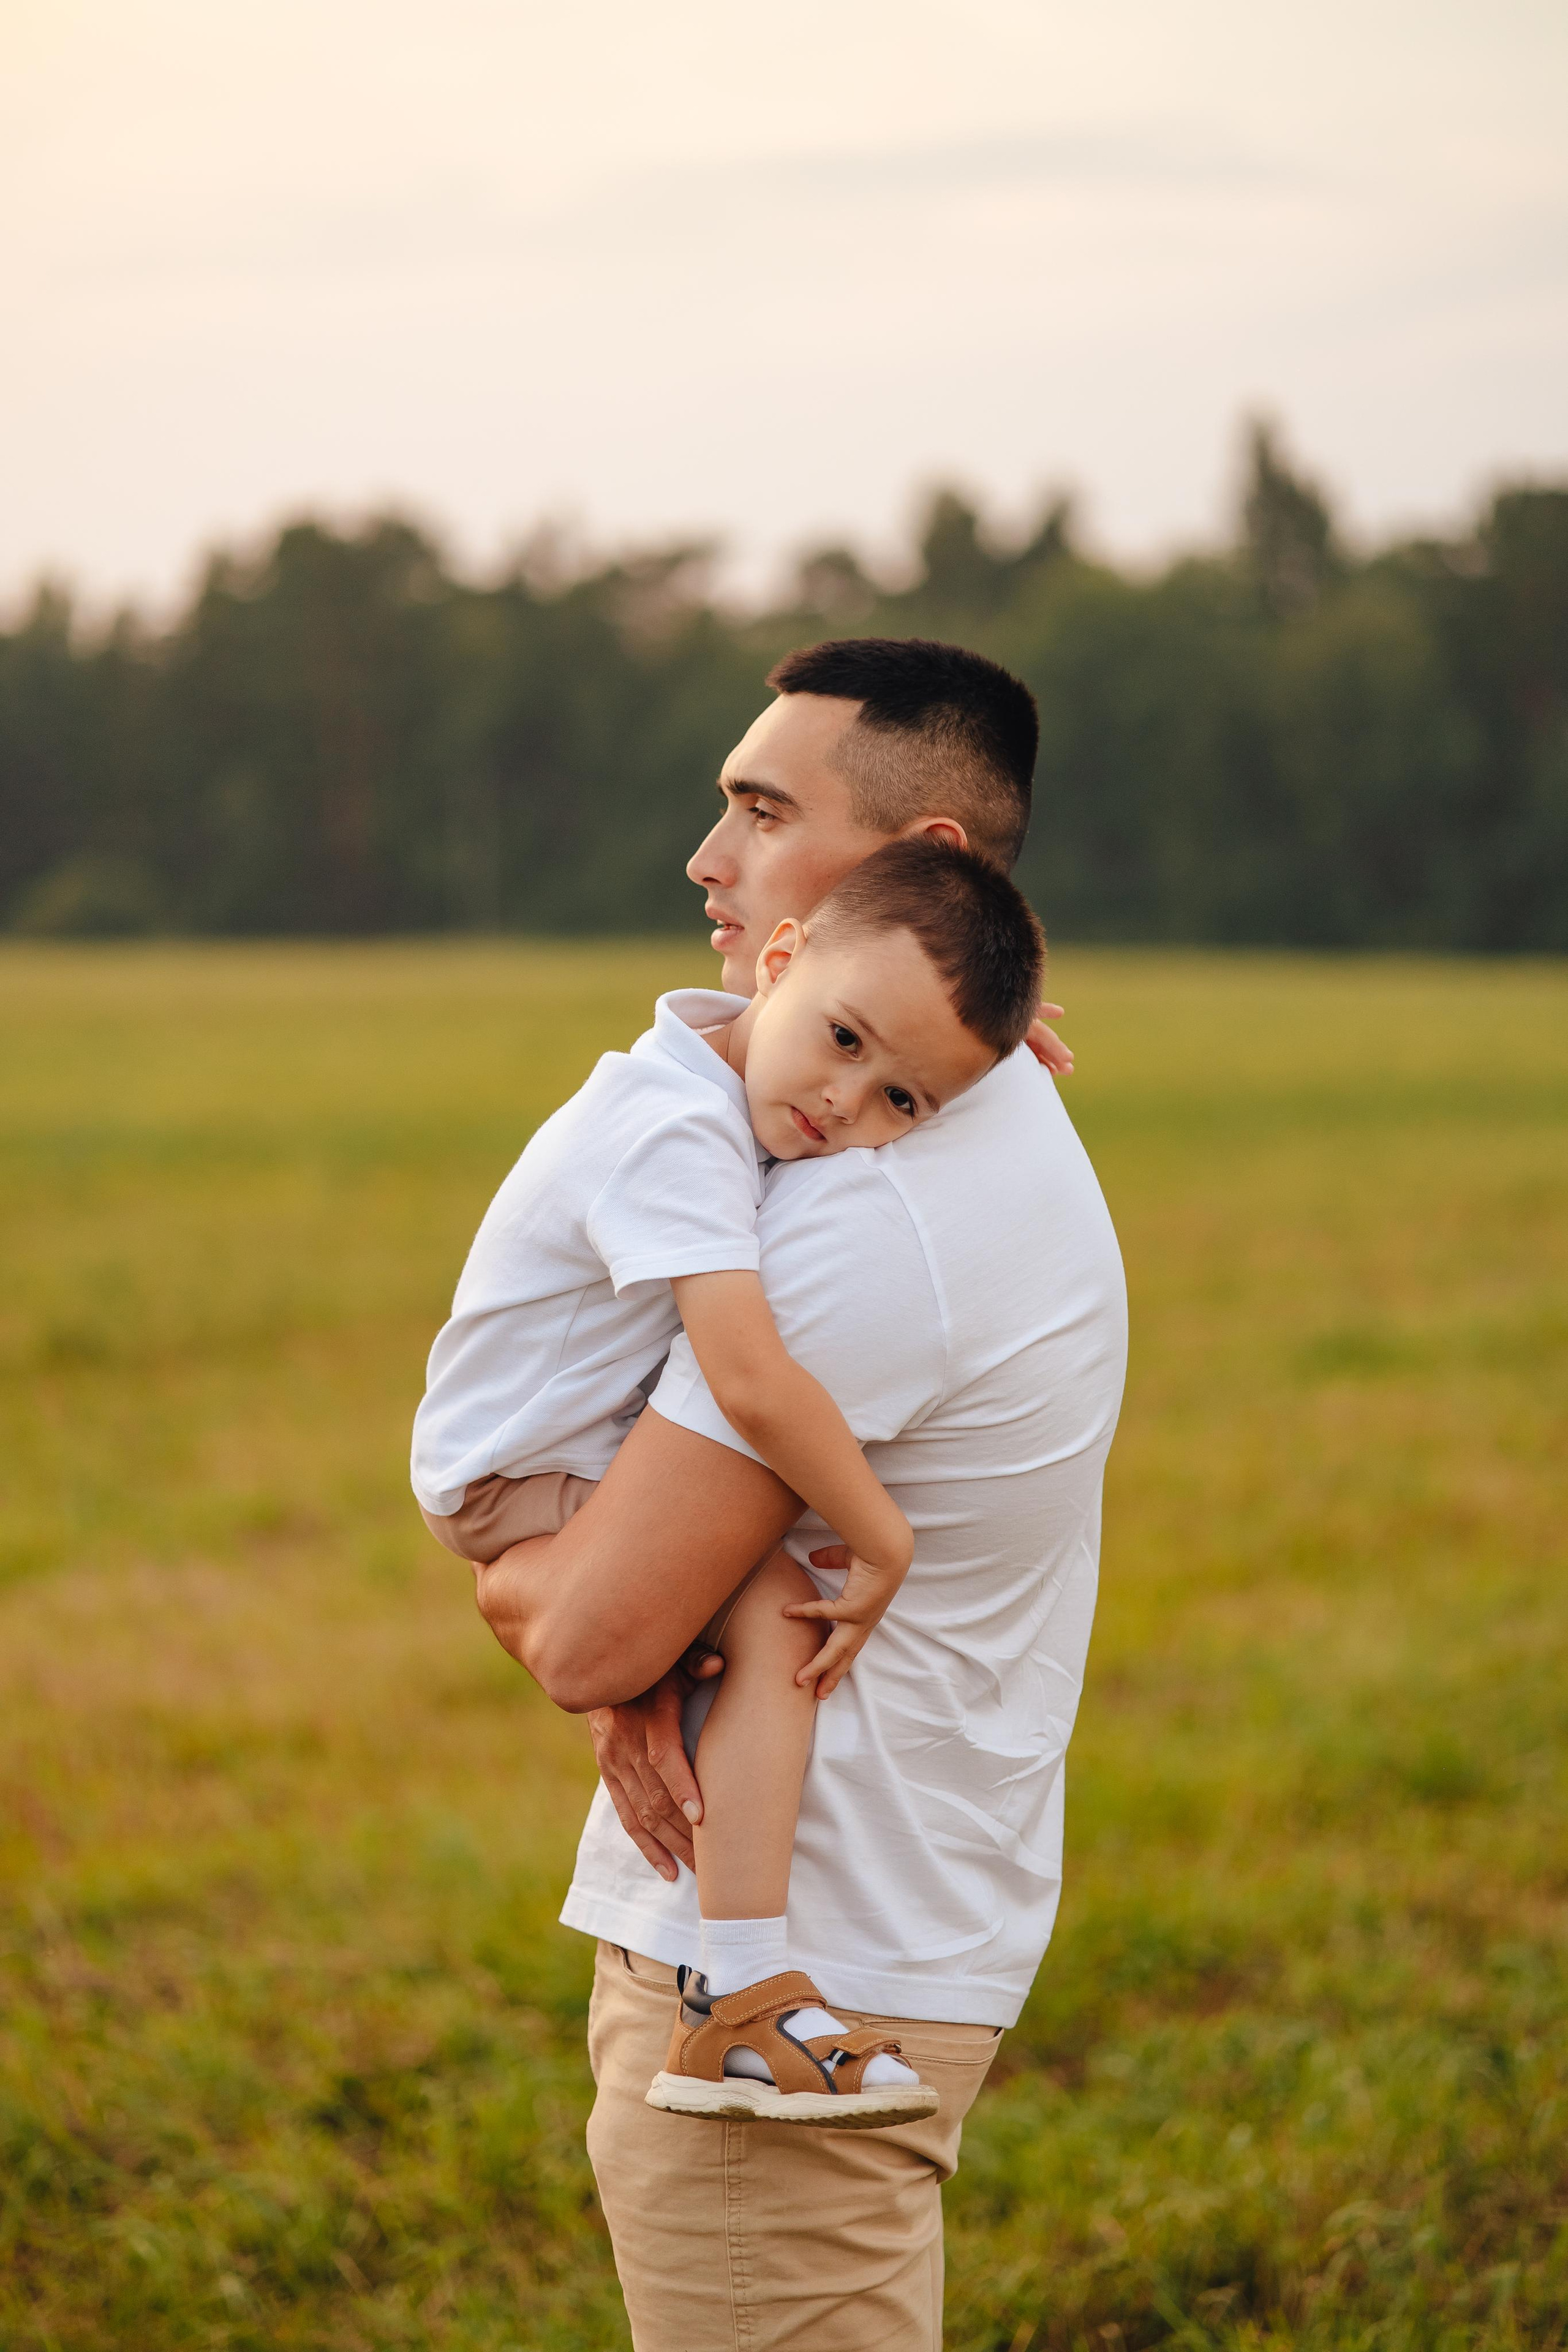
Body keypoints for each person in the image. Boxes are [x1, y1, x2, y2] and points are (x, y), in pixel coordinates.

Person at [472, 637, 1128, 2351]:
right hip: (889, 1928)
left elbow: (589, 1627)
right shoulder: (913, 1132)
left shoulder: (864, 1215)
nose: (709, 859)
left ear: (940, 869)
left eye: (763, 811)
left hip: (789, 1992)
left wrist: (576, 1622)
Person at [415, 837, 1047, 2127]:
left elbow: (869, 1015)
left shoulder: (730, 1068)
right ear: (777, 955)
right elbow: (750, 1380)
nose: (845, 1108)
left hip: (559, 1445)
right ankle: (739, 1995)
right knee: (777, 1607)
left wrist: (972, 1056)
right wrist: (883, 1539)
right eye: (844, 1041)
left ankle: (738, 1989)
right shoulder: (669, 1134)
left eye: (904, 1105)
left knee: (750, 1602)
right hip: (517, 1472)